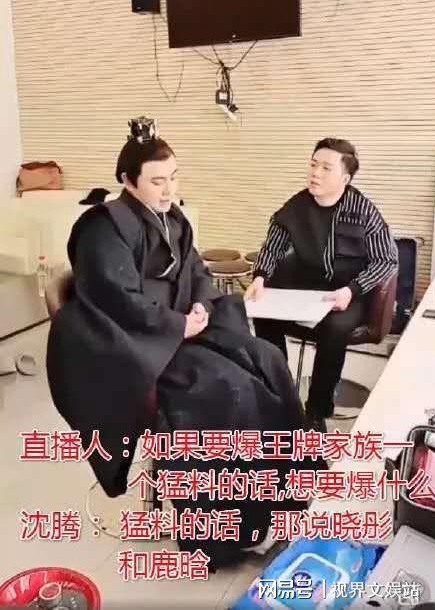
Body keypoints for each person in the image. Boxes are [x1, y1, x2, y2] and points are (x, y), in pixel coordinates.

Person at [46, 132, 323, 569]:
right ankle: (227, 532)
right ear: (128, 181)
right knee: (226, 389)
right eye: (157, 181)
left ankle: (283, 492)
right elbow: (116, 297)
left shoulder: (172, 219)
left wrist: (200, 306)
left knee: (267, 361)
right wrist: (177, 325)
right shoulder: (103, 227)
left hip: (177, 330)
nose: (169, 190)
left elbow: (196, 273)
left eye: (173, 178)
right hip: (128, 343)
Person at [245, 137, 398, 432]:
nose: (315, 173)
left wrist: (352, 290)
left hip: (349, 290)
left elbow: (386, 260)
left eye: (326, 168)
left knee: (335, 326)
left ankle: (317, 410)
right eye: (313, 164)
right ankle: (278, 393)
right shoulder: (297, 205)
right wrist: (260, 276)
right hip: (308, 287)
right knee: (263, 314)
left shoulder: (363, 211)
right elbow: (273, 244)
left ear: (345, 178)